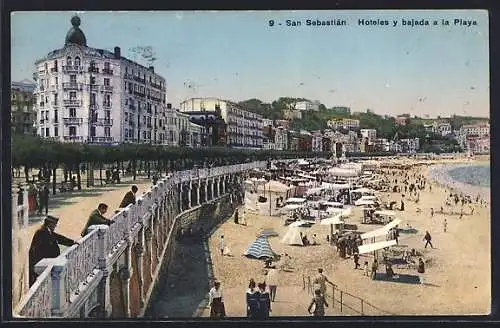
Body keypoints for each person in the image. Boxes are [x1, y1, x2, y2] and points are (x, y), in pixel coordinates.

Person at [28, 216, 78, 286]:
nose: (55, 227)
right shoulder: (41, 232)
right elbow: (36, 251)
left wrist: (72, 242)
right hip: (40, 265)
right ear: (50, 224)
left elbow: (60, 238)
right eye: (54, 225)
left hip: (47, 263)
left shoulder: (48, 231)